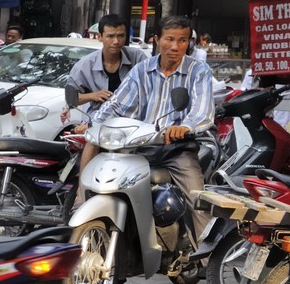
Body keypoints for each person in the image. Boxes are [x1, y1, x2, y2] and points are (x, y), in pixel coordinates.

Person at [83, 15, 216, 234]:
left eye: (182, 40)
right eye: (169, 39)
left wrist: (184, 127)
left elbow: (202, 112)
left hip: (177, 151)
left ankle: (206, 261)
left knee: (199, 204)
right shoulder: (141, 70)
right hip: (140, 148)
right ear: (157, 40)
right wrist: (94, 125)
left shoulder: (198, 71)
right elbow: (117, 104)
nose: (175, 46)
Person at [66, 13, 148, 122]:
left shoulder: (137, 58)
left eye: (121, 35)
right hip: (96, 122)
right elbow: (71, 98)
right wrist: (93, 96)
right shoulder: (85, 65)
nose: (116, 41)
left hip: (132, 122)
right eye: (110, 36)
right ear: (100, 37)